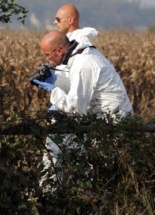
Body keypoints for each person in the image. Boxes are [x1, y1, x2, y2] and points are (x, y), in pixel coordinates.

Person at [32, 30, 133, 192]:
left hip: (111, 124)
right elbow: (81, 88)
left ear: (59, 51)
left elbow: (75, 108)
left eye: (48, 55)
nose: (47, 59)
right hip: (104, 121)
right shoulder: (82, 57)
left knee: (101, 178)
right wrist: (57, 79)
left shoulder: (83, 64)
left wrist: (54, 90)